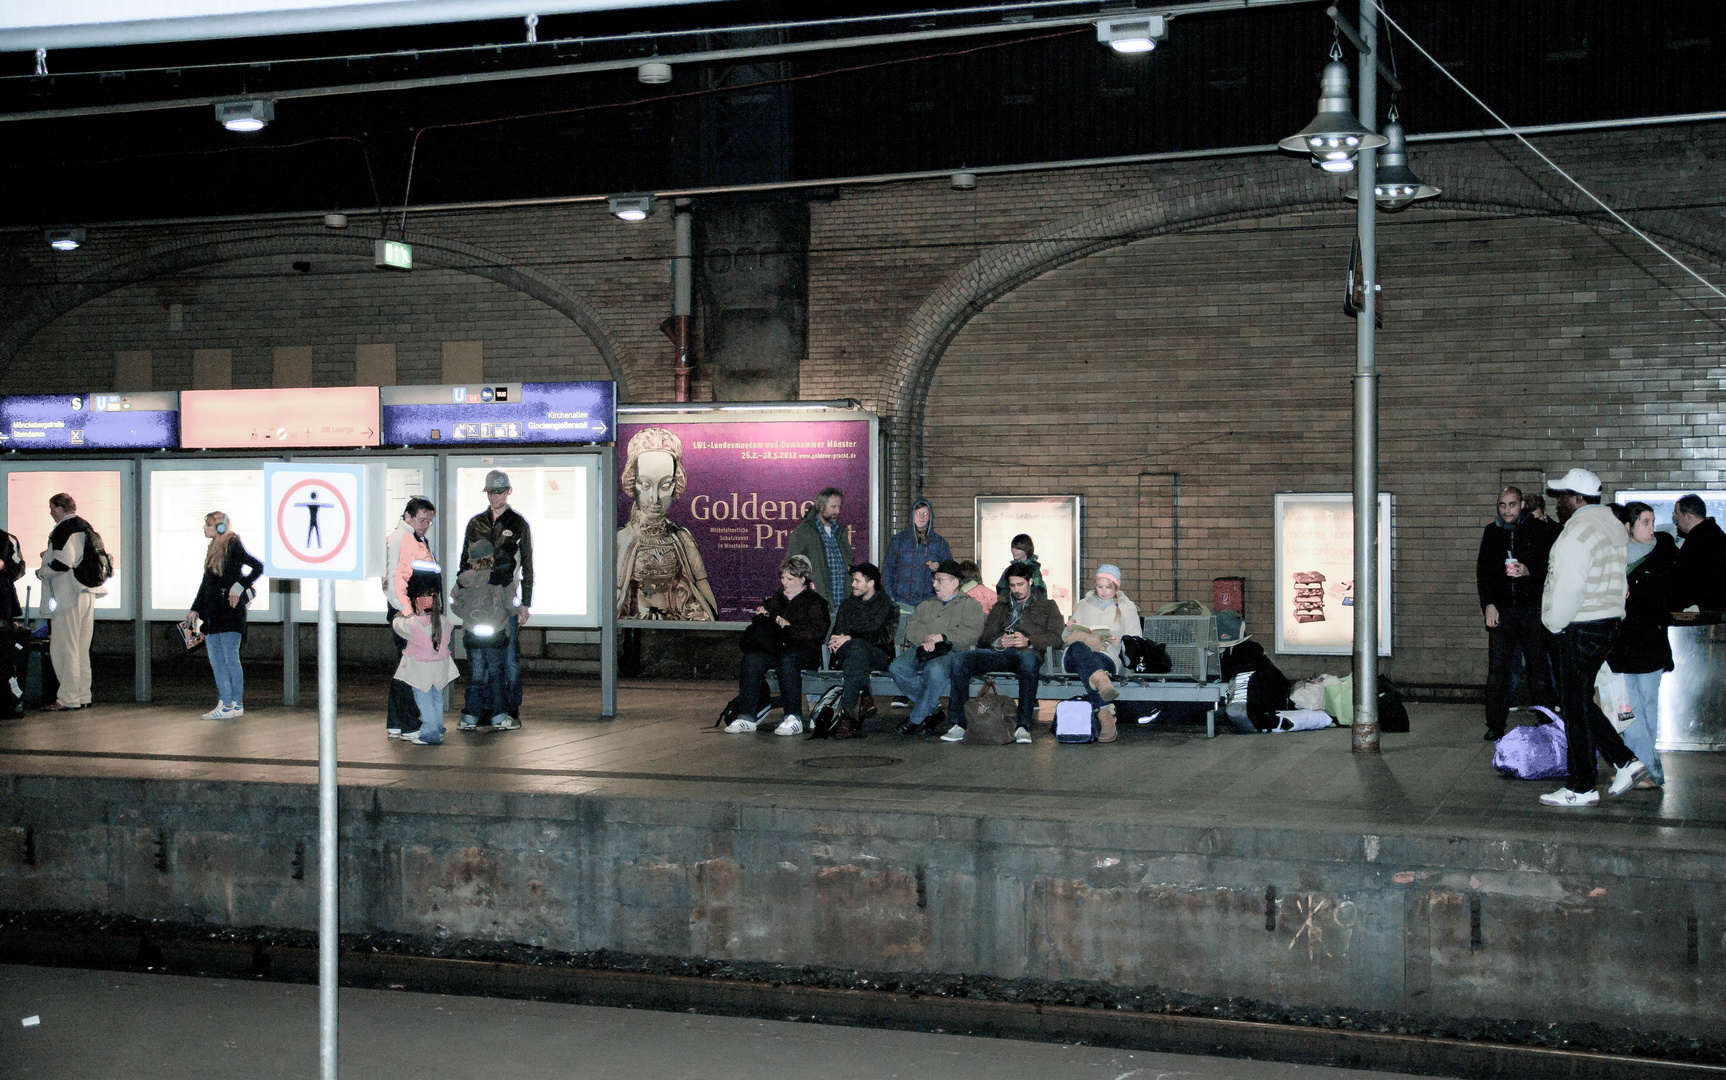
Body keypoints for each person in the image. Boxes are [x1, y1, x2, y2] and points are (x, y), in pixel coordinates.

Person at [1539, 468, 1639, 807]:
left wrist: (1552, 625)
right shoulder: (1611, 526)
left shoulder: (1578, 532)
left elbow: (1568, 586)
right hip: (1609, 622)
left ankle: (1581, 787)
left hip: (1580, 627)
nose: (1558, 502)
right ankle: (1625, 760)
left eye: (1562, 496)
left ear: (1577, 498)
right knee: (1578, 702)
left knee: (1574, 707)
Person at [946, 561, 1063, 745]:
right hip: (999, 654)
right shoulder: (1001, 605)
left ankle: (1023, 725)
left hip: (1026, 653)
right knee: (961, 659)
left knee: (1028, 660)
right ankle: (958, 723)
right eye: (1012, 585)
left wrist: (1029, 641)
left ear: (1030, 581)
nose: (1016, 590)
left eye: (1020, 585)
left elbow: (1056, 638)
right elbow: (984, 637)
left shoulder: (1047, 606)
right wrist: (998, 641)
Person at [1475, 486, 1557, 740]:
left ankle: (1547, 722)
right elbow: (1484, 573)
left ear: (1521, 505)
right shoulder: (1492, 532)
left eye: (1511, 504)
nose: (1506, 510)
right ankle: (1495, 725)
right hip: (1502, 611)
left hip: (1532, 610)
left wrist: (1529, 571)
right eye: (1502, 505)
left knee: (1538, 670)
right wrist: (1488, 604)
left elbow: (1552, 567)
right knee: (1497, 671)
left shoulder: (1540, 530)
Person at [1606, 501, 1676, 792]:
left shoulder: (1665, 553)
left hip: (1650, 643)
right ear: (1628, 527)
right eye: (1645, 522)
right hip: (1623, 647)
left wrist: (1635, 596)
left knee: (1646, 709)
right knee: (1630, 711)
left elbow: (1670, 596)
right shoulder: (1614, 556)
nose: (1651, 528)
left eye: (1652, 521)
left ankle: (1643, 769)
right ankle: (1644, 769)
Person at [615, 427, 719, 621]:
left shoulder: (682, 539)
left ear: (675, 485)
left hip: (676, 628)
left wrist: (707, 620)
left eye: (664, 486)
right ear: (633, 483)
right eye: (645, 485)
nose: (655, 498)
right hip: (634, 631)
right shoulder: (621, 540)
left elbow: (702, 589)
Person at [459, 470, 533, 730]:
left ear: (508, 491)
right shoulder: (476, 523)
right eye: (491, 492)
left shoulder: (518, 522)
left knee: (509, 659)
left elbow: (527, 564)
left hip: (505, 598)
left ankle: (510, 709)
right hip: (479, 600)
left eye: (499, 492)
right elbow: (463, 562)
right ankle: (486, 709)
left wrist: (526, 602)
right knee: (481, 660)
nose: (495, 497)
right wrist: (464, 589)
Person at [723, 555, 829, 736]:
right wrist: (764, 616)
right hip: (777, 648)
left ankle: (793, 716)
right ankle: (747, 716)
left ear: (802, 579)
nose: (785, 582)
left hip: (804, 651)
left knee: (787, 660)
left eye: (790, 579)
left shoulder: (815, 602)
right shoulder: (776, 600)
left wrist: (789, 627)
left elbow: (816, 631)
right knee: (752, 660)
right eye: (783, 578)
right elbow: (766, 626)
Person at [890, 560, 985, 736]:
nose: (935, 584)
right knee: (897, 667)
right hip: (923, 649)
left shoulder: (970, 605)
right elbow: (912, 628)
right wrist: (925, 638)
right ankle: (932, 710)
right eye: (934, 580)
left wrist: (942, 637)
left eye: (940, 580)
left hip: (952, 650)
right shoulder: (927, 605)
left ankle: (916, 718)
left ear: (955, 582)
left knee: (935, 670)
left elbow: (972, 633)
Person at [187, 511, 264, 720]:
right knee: (216, 659)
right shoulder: (213, 548)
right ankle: (226, 701)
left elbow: (258, 566)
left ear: (220, 527)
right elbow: (206, 585)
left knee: (230, 658)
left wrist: (239, 586)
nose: (205, 528)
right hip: (213, 614)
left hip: (230, 613)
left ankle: (234, 703)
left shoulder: (233, 544)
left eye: (209, 525)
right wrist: (195, 608)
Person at [36, 493, 105, 711]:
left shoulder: (65, 528)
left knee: (64, 647)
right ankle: (83, 695)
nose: (50, 513)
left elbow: (63, 562)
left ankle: (67, 698)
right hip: (87, 591)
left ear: (59, 508)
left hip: (69, 594)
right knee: (81, 647)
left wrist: (42, 572)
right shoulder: (85, 526)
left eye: (51, 508)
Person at [1062, 564, 1143, 744]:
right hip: (1075, 655)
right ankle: (1101, 682)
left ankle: (1104, 712)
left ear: (1116, 588)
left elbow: (1136, 641)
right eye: (1100, 587)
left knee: (1090, 664)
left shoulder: (1127, 608)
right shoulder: (1084, 604)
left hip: (1107, 655)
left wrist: (1119, 641)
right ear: (1095, 585)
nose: (1103, 591)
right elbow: (1067, 637)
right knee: (1079, 647)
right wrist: (1069, 627)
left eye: (1108, 587)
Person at [450, 539, 520, 732]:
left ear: (471, 559)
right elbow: (513, 605)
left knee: (476, 674)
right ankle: (499, 717)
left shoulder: (463, 580)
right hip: (496, 633)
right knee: (497, 674)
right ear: (491, 557)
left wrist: (468, 619)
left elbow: (454, 603)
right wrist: (504, 616)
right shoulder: (503, 579)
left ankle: (469, 717)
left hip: (472, 634)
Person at [825, 562, 898, 736]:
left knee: (856, 649)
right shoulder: (848, 604)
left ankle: (849, 714)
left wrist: (850, 637)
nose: (853, 584)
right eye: (853, 580)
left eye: (857, 581)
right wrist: (834, 641)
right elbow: (838, 632)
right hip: (851, 654)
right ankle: (861, 700)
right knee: (856, 653)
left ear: (870, 583)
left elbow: (882, 637)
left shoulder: (885, 604)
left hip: (879, 656)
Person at [383, 497, 436, 738]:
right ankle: (408, 724)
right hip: (409, 614)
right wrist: (409, 614)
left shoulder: (413, 538)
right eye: (422, 519)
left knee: (403, 667)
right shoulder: (402, 539)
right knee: (410, 669)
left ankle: (396, 722)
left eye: (429, 520)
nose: (426, 524)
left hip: (410, 612)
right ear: (408, 516)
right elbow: (393, 580)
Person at [393, 568, 459, 746]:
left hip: (420, 671)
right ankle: (438, 728)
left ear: (417, 604)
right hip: (440, 668)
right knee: (436, 699)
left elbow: (397, 625)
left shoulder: (413, 624)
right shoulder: (445, 622)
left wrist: (402, 614)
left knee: (424, 701)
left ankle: (430, 733)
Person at [786, 487, 852, 612]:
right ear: (821, 507)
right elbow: (790, 568)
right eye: (833, 507)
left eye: (839, 507)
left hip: (842, 602)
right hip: (817, 604)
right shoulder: (804, 531)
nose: (837, 511)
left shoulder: (839, 531)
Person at [883, 498, 952, 610]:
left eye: (925, 513)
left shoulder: (939, 543)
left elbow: (950, 572)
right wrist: (891, 599)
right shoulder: (898, 540)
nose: (922, 517)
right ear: (912, 516)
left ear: (930, 517)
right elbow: (887, 571)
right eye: (918, 513)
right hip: (902, 602)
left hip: (930, 604)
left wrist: (939, 569)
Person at [1672, 494, 1726, 612]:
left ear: (1688, 516)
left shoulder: (1696, 543)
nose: (1675, 517)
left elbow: (1684, 582)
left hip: (1702, 615)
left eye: (1677, 513)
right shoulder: (1717, 535)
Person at [994, 534, 1048, 601]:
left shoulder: (1033, 570)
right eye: (1013, 547)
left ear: (1027, 549)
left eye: (1018, 548)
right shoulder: (1009, 570)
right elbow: (1001, 590)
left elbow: (1039, 592)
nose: (1014, 551)